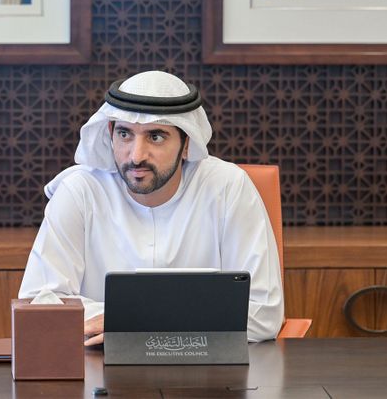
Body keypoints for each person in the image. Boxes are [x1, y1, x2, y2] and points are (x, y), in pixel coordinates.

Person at [19, 71, 284, 345]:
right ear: (110, 134)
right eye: (125, 134)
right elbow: (39, 304)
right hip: (99, 365)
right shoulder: (81, 191)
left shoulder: (227, 187)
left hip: (203, 366)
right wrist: (178, 320)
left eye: (155, 137)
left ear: (186, 144)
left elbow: (264, 314)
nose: (136, 156)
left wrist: (131, 321)